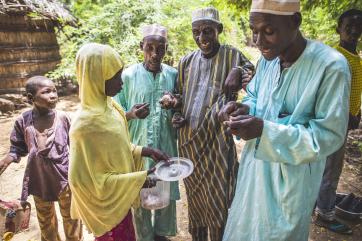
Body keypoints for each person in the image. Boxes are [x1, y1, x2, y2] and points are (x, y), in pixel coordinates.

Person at [219, 1, 351, 240]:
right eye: (254, 30)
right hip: (254, 171)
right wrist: (242, 108)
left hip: (292, 182)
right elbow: (256, 97)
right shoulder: (267, 61)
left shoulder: (331, 66)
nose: (258, 41)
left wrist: (264, 131)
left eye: (268, 30)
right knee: (244, 228)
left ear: (295, 22)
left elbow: (328, 136)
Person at [164, 7, 254, 241]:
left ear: (219, 30)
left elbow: (255, 73)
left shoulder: (233, 56)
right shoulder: (185, 62)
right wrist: (176, 111)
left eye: (207, 31)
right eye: (196, 32)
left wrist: (238, 69)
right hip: (189, 143)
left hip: (217, 142)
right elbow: (179, 97)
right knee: (195, 199)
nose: (201, 38)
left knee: (218, 199)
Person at [68, 43, 170, 241]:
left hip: (119, 203)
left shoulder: (110, 106)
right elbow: (86, 182)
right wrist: (140, 178)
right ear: (96, 78)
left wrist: (144, 151)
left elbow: (115, 151)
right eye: (115, 77)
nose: (121, 83)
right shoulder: (84, 126)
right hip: (105, 210)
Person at [113, 24, 179, 241]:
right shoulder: (128, 76)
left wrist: (176, 108)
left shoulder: (173, 75)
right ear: (141, 46)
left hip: (166, 145)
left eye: (160, 48)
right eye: (149, 47)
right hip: (138, 149)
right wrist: (130, 114)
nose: (154, 54)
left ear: (166, 49)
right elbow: (113, 113)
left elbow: (182, 108)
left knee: (165, 195)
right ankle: (144, 237)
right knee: (139, 196)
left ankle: (162, 235)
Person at [0, 76, 83, 241]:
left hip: (65, 180)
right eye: (46, 92)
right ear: (31, 98)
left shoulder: (63, 118)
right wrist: (6, 161)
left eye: (54, 90)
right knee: (46, 223)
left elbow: (76, 146)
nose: (53, 95)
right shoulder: (23, 121)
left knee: (72, 219)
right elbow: (17, 148)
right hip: (39, 181)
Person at [315, 8, 362, 234]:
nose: (354, 31)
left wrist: (357, 110)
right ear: (338, 30)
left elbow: (352, 90)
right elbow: (330, 93)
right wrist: (348, 114)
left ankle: (319, 203)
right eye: (348, 27)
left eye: (358, 27)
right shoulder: (336, 56)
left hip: (344, 121)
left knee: (329, 168)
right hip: (334, 122)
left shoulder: (355, 57)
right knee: (331, 170)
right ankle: (325, 214)